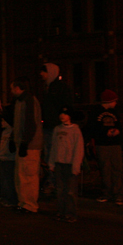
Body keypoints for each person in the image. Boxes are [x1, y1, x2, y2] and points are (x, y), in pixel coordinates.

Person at [39, 63, 73, 194]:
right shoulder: (48, 88)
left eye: (44, 71)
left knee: (54, 155)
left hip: (54, 126)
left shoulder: (58, 88)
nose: (41, 74)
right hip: (48, 125)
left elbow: (65, 106)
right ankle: (52, 180)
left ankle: (55, 181)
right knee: (49, 155)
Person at [10, 77, 43, 214]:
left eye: (12, 88)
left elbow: (30, 123)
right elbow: (19, 124)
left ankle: (29, 204)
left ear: (18, 88)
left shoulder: (28, 101)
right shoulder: (20, 101)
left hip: (30, 145)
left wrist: (25, 142)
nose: (11, 91)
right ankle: (23, 202)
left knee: (28, 175)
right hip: (24, 143)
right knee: (21, 175)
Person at [88, 89, 123, 205]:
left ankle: (118, 195)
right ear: (109, 101)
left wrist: (117, 131)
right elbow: (93, 128)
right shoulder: (96, 112)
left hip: (115, 144)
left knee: (117, 169)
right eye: (114, 101)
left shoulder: (115, 112)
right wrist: (105, 133)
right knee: (105, 169)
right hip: (102, 144)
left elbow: (119, 125)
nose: (116, 103)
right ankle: (106, 193)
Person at [49, 106, 84, 222]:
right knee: (60, 189)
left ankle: (71, 213)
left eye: (65, 114)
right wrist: (51, 162)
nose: (62, 116)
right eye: (61, 114)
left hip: (70, 164)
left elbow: (78, 149)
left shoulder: (75, 131)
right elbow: (54, 147)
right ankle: (60, 211)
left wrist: (76, 165)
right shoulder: (57, 129)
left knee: (70, 191)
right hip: (59, 163)